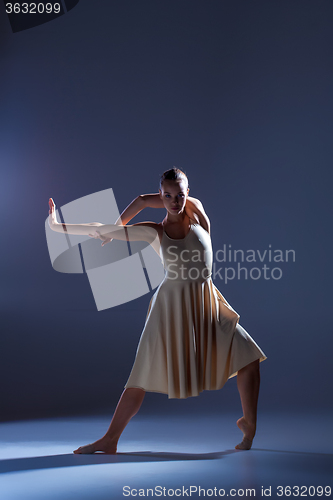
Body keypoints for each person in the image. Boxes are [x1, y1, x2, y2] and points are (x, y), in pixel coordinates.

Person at [48, 167, 266, 453]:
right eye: (167, 196)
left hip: (206, 299)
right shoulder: (154, 232)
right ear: (160, 196)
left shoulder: (197, 210)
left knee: (248, 357)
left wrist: (167, 194)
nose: (174, 201)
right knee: (141, 374)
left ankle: (249, 423)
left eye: (180, 194)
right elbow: (101, 227)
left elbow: (143, 199)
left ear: (188, 192)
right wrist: (57, 226)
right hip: (170, 307)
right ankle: (110, 439)